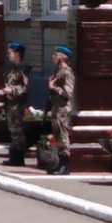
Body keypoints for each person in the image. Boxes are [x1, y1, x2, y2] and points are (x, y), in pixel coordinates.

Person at [43, 45, 75, 174]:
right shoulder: (59, 72)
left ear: (62, 57)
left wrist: (53, 87)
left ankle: (65, 166)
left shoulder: (67, 73)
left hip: (62, 109)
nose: (53, 57)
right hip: (56, 108)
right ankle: (59, 163)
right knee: (57, 136)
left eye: (56, 55)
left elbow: (68, 92)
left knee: (63, 136)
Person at [2, 42, 30, 166]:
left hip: (17, 105)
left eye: (10, 53)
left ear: (17, 54)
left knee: (18, 130)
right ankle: (14, 156)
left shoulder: (22, 69)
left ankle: (18, 157)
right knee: (13, 129)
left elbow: (24, 88)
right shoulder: (13, 69)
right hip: (11, 103)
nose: (8, 55)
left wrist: (11, 90)